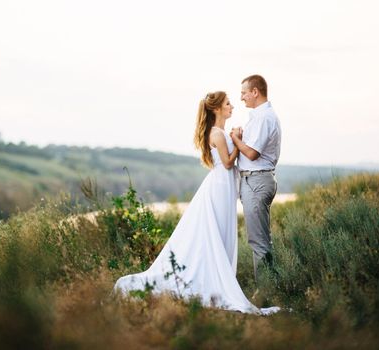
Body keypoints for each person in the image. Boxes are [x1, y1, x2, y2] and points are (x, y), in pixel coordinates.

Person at [114, 91, 279, 315]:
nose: (232, 106)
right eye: (228, 104)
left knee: (221, 234)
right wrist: (239, 141)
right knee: (216, 233)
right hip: (220, 186)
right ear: (217, 109)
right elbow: (229, 164)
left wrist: (236, 138)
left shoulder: (221, 132)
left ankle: (216, 275)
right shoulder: (217, 134)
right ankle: (212, 280)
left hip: (226, 186)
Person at [230, 75, 282, 284]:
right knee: (259, 238)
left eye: (244, 92)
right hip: (254, 181)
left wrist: (234, 139)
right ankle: (269, 286)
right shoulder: (259, 116)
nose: (241, 97)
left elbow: (252, 154)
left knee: (258, 240)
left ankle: (266, 291)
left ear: (255, 92)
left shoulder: (263, 118)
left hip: (257, 182)